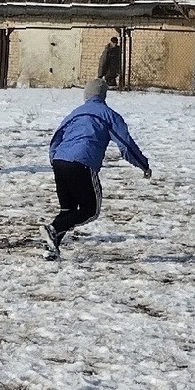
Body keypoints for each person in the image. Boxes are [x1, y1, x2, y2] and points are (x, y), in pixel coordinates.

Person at [40, 78, 150, 261]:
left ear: (86, 94)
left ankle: (51, 249)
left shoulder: (75, 113)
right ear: (104, 95)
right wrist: (143, 165)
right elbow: (125, 145)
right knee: (90, 210)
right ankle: (52, 229)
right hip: (82, 163)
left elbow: (56, 138)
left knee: (68, 211)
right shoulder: (109, 115)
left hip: (59, 161)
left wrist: (55, 160)